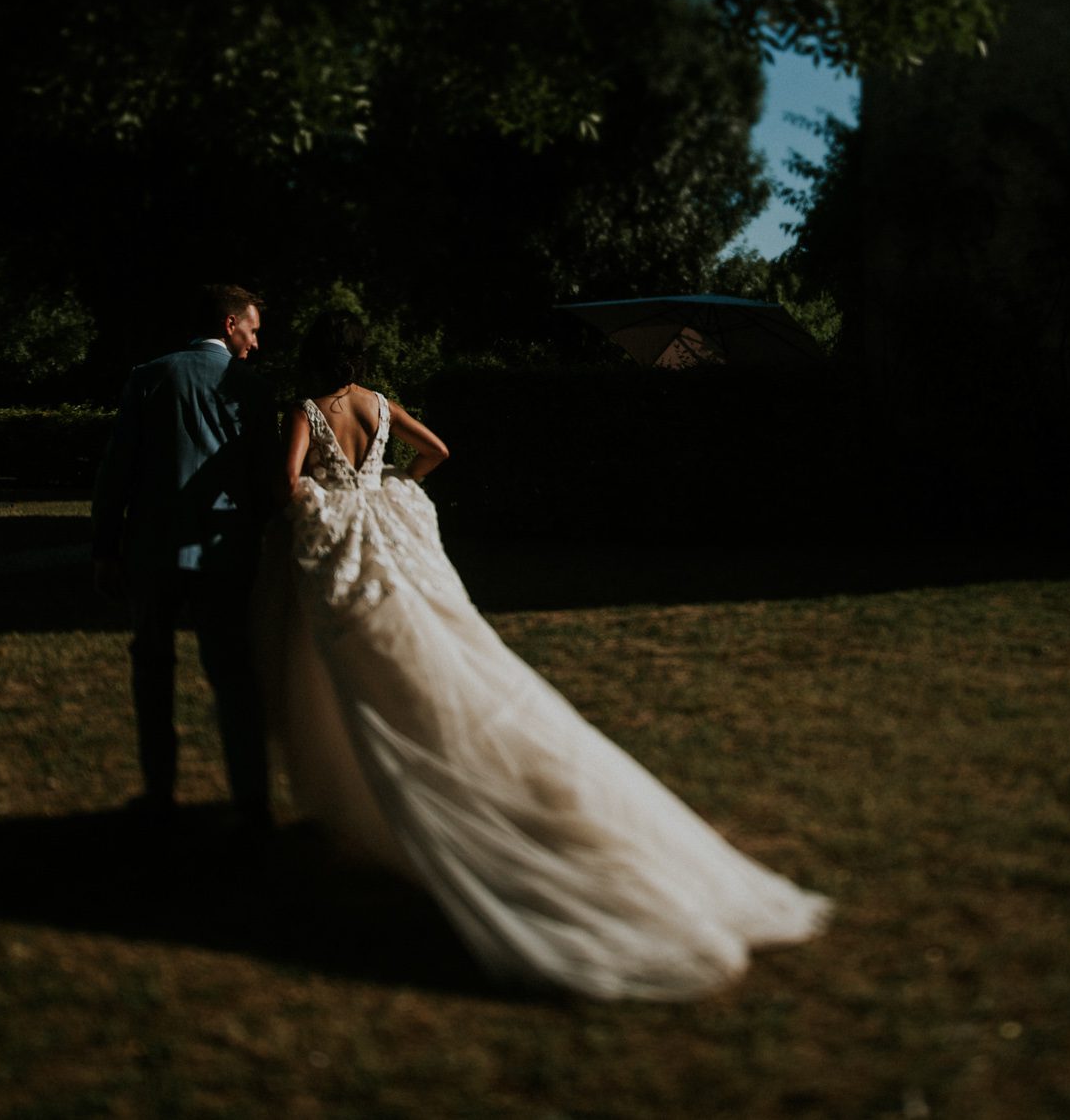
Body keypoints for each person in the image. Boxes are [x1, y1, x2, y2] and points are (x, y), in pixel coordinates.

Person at [254, 310, 830, 1000]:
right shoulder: (381, 405)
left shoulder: (305, 411)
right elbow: (437, 449)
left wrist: (328, 494)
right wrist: (394, 484)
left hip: (346, 553)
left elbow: (289, 483)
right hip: (391, 539)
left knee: (376, 678)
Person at [92, 283, 276, 832]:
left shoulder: (150, 376)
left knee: (152, 670)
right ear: (228, 325)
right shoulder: (253, 388)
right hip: (224, 554)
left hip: (155, 550)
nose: (255, 342)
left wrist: (105, 548)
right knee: (235, 676)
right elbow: (264, 479)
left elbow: (116, 470)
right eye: (252, 329)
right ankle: (252, 800)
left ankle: (159, 791)